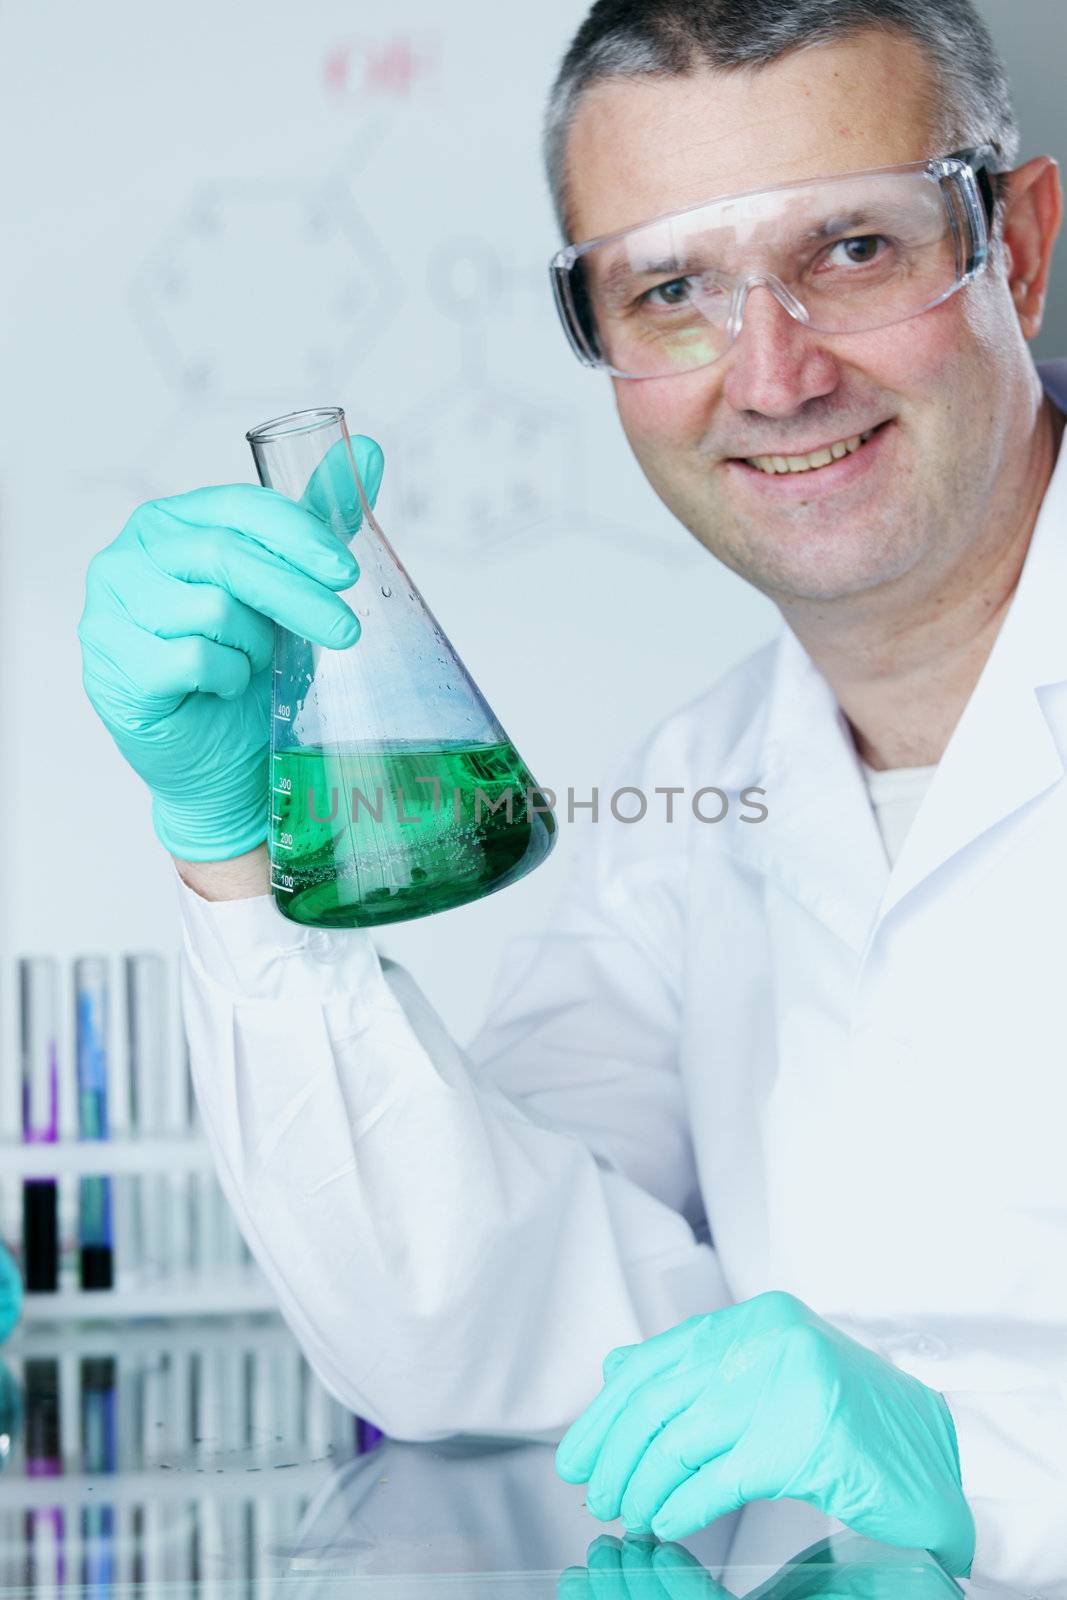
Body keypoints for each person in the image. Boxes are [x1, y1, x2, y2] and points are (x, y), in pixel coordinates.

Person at [76, 0, 1067, 1589]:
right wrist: (233, 850)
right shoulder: (701, 795)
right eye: (669, 289)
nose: (772, 373)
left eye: (855, 251)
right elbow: (466, 1331)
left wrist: (988, 1464)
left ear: (1014, 248)